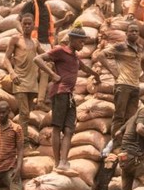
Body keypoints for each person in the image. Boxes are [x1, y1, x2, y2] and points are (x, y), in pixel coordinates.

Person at [34, 25, 101, 170]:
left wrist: (96, 75)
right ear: (72, 39)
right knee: (57, 128)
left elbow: (84, 68)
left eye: (84, 42)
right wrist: (52, 75)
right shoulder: (60, 51)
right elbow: (38, 59)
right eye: (81, 41)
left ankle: (64, 160)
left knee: (70, 129)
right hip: (59, 93)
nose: (83, 44)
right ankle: (58, 162)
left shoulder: (75, 57)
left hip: (69, 95)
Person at [94, 22, 144, 151]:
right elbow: (100, 55)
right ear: (126, 34)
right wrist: (113, 71)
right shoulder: (120, 47)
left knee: (131, 117)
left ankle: (128, 143)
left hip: (135, 86)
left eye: (136, 31)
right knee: (119, 115)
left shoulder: (140, 48)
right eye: (131, 31)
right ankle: (116, 143)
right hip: (122, 85)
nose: (134, 33)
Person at [4, 14, 44, 137]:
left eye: (29, 24)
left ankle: (20, 139)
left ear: (33, 26)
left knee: (27, 114)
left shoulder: (35, 43)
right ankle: (24, 144)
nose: (26, 26)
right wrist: (12, 73)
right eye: (24, 24)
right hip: (19, 80)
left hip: (32, 83)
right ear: (21, 25)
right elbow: (5, 58)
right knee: (24, 113)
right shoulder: (15, 39)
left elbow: (45, 56)